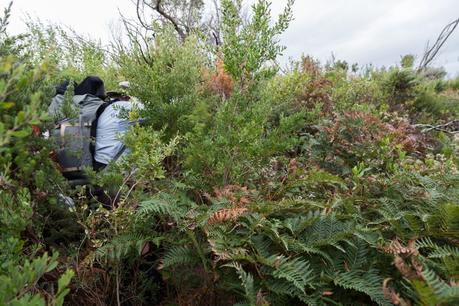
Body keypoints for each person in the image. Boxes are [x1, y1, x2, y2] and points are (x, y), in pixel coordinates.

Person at [92, 83, 142, 171]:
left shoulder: (107, 107)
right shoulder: (125, 106)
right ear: (128, 97)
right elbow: (154, 113)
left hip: (99, 160)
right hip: (113, 163)